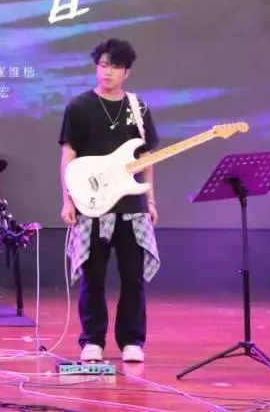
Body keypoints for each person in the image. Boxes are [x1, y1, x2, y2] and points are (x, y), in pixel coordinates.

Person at [59, 38, 160, 364]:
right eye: (103, 65)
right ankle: (92, 340)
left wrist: (151, 200)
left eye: (115, 66)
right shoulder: (79, 107)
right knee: (93, 277)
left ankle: (132, 341)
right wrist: (67, 200)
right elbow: (68, 155)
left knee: (133, 277)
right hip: (91, 204)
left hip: (131, 207)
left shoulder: (139, 108)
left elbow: (145, 158)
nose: (108, 72)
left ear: (126, 72)